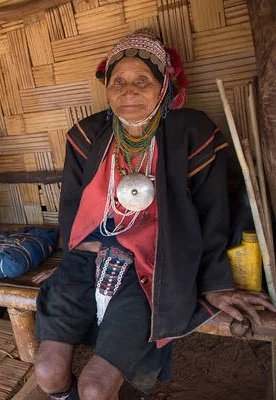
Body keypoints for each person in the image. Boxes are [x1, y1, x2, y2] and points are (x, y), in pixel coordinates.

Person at [33, 29, 276, 400]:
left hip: (155, 267)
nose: (129, 91)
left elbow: (214, 214)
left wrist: (215, 282)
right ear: (106, 87)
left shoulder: (191, 132)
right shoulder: (86, 134)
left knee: (96, 387)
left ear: (163, 85)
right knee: (48, 372)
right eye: (119, 81)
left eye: (142, 80)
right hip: (88, 262)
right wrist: (70, 259)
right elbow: (73, 207)